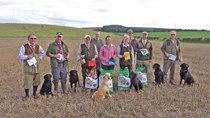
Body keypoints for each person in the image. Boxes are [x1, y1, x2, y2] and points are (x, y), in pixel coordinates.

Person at [18, 34, 45, 100]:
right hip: (28, 67)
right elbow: (20, 56)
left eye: (35, 38)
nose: (33, 39)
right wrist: (27, 56)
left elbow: (43, 53)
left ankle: (34, 94)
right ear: (28, 39)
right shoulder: (24, 46)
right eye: (31, 38)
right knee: (27, 81)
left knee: (36, 81)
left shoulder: (38, 46)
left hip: (37, 66)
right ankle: (27, 95)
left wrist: (40, 58)